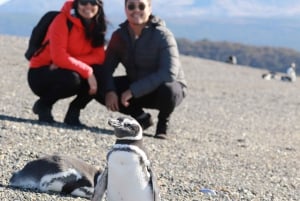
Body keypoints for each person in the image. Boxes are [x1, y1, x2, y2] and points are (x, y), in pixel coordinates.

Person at [98, 0, 187, 139]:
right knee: (98, 85)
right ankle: (142, 118)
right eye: (131, 6)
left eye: (141, 6)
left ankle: (163, 125)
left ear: (150, 9)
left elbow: (169, 73)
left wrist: (133, 90)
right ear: (125, 9)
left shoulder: (163, 35)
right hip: (137, 87)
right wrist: (109, 91)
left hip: (163, 90)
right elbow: (106, 68)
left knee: (169, 89)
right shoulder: (119, 36)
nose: (136, 10)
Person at [27, 0, 107, 126]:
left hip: (65, 68)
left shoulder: (97, 25)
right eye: (84, 2)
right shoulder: (62, 20)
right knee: (72, 79)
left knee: (102, 74)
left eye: (93, 2)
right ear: (76, 4)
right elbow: (59, 57)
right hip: (42, 73)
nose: (88, 6)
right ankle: (44, 105)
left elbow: (99, 57)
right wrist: (87, 71)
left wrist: (74, 63)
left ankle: (73, 112)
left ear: (99, 6)